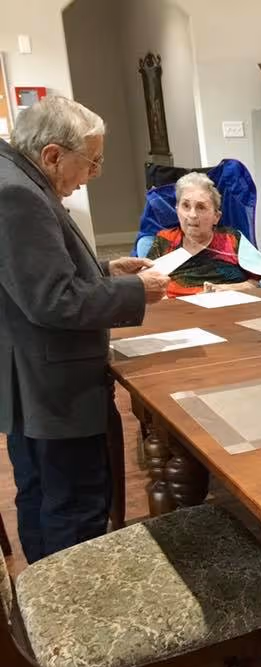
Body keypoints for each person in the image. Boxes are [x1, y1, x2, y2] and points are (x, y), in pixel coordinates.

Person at [0, 97, 169, 563]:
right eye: (91, 162)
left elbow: (33, 272)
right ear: (53, 154)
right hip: (52, 386)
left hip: (32, 379)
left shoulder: (14, 177)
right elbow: (53, 300)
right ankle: (72, 612)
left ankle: (44, 600)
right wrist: (137, 291)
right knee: (73, 503)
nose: (93, 174)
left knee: (40, 494)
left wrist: (107, 270)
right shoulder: (16, 193)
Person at [142, 172, 261, 296]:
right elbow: (145, 285)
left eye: (201, 207)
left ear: (216, 216)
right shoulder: (165, 240)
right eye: (185, 206)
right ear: (177, 209)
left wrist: (234, 288)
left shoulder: (232, 239)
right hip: (179, 315)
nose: (192, 214)